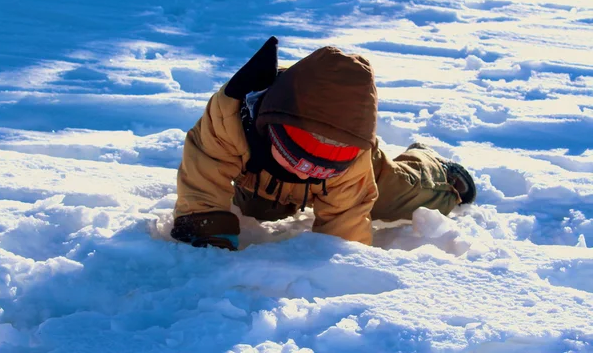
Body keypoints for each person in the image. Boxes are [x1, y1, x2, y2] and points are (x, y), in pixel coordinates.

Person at [171, 37, 476, 250]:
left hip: (362, 175)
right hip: (262, 176)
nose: (307, 173)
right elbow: (204, 175)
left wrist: (338, 261)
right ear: (270, 128)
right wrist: (205, 228)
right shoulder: (229, 115)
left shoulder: (352, 159)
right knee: (259, 209)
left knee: (397, 199)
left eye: (321, 168)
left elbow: (345, 230)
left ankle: (430, 168)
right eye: (300, 160)